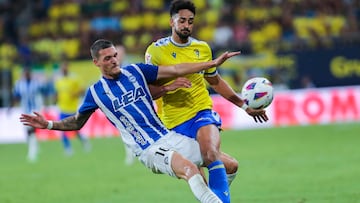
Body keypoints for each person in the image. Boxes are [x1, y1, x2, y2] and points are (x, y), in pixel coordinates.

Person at [20, 39, 240, 202]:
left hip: (168, 136)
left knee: (229, 165)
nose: (114, 60)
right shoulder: (96, 93)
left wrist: (208, 64)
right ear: (96, 62)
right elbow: (77, 122)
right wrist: (48, 124)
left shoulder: (136, 71)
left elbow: (175, 69)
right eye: (107, 58)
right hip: (149, 148)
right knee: (190, 170)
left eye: (115, 55)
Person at [145, 1, 268, 202]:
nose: (186, 25)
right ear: (171, 21)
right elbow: (148, 91)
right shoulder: (156, 51)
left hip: (201, 111)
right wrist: (169, 86)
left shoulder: (202, 48)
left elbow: (215, 81)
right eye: (182, 20)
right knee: (223, 169)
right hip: (173, 122)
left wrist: (244, 106)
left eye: (190, 21)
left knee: (211, 154)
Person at [54, 61, 91, 156]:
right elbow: (57, 92)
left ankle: (84, 140)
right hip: (62, 108)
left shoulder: (74, 78)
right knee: (61, 128)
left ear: (68, 67)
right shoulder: (58, 79)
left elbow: (82, 89)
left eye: (65, 66)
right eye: (62, 67)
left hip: (73, 108)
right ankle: (68, 148)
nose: (64, 69)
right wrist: (56, 98)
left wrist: (75, 94)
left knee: (75, 129)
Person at [13, 67, 45, 162]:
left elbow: (43, 92)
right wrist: (12, 107)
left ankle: (32, 153)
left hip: (34, 110)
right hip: (25, 110)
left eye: (28, 73)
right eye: (25, 73)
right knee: (28, 131)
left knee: (31, 130)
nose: (27, 75)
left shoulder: (36, 83)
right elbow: (16, 95)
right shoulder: (19, 84)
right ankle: (34, 147)